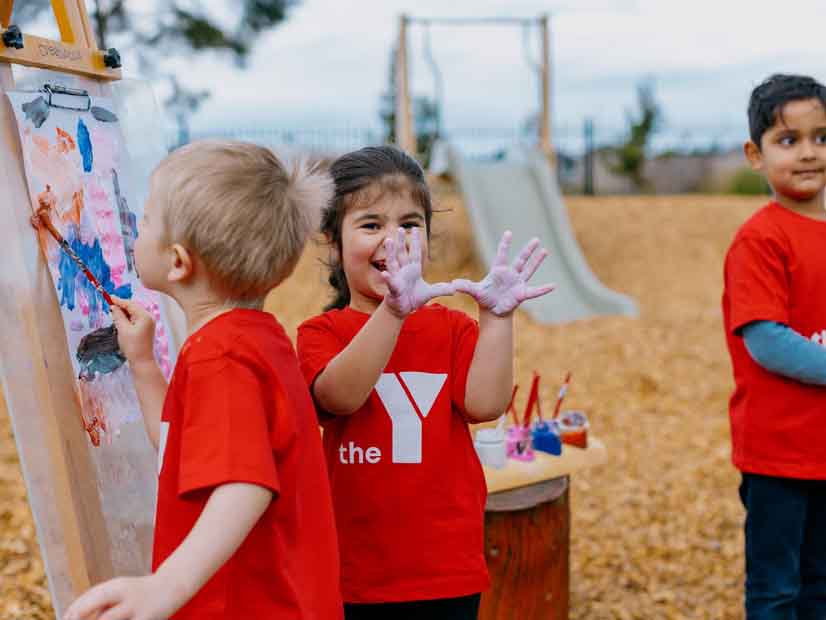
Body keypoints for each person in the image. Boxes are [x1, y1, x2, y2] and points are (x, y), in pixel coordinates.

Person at [63, 140, 342, 620]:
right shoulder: (253, 340)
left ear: (177, 261)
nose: (134, 227)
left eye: (145, 218)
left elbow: (245, 484)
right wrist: (144, 365)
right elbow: (183, 450)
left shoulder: (223, 358)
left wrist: (164, 587)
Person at [297, 145, 553, 620]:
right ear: (333, 244)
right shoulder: (322, 334)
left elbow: (486, 404)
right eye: (371, 225)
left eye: (410, 225)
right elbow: (339, 397)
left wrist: (497, 320)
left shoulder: (452, 329)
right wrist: (394, 311)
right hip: (354, 572)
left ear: (428, 242)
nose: (393, 240)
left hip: (445, 569)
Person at [722, 73, 826, 620]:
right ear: (755, 154)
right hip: (779, 455)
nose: (808, 153)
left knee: (820, 586)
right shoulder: (762, 239)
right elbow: (769, 343)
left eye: (821, 137)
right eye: (789, 140)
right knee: (777, 590)